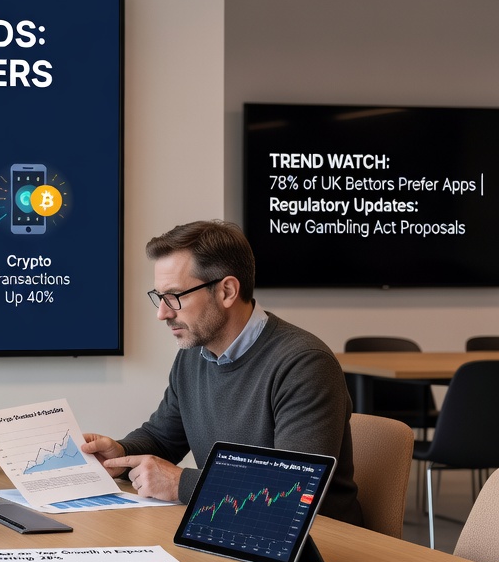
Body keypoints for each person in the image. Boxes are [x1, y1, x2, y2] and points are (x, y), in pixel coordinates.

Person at [81, 220, 364, 525]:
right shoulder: (193, 357)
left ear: (227, 291)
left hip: (318, 542)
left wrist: (181, 484)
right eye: (159, 297)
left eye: (175, 296)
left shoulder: (304, 364)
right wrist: (118, 454)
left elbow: (291, 490)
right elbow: (163, 438)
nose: (162, 313)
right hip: (231, 526)